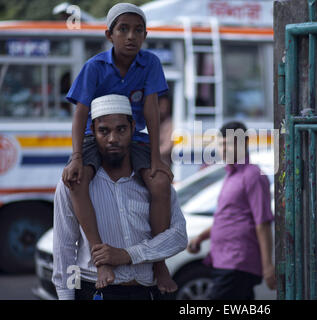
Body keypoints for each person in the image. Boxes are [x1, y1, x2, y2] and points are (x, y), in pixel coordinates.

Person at [62, 3, 175, 292]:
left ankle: (159, 263)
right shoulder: (95, 66)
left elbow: (151, 109)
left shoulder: (150, 63)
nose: (130, 36)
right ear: (109, 34)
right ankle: (101, 258)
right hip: (94, 136)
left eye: (138, 30)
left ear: (145, 35)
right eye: (122, 29)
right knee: (77, 182)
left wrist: (157, 158)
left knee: (160, 183)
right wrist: (77, 157)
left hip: (133, 137)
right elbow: (80, 114)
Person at [52, 94, 187, 300]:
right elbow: (65, 248)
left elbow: (178, 237)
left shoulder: (153, 181)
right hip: (94, 290)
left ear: (133, 129)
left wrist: (128, 255)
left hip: (147, 291)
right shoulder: (74, 184)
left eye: (121, 129)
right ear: (93, 133)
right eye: (104, 131)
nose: (113, 138)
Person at [187, 121, 276, 300]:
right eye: (221, 144)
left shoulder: (253, 175)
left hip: (237, 261)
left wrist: (268, 266)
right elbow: (228, 218)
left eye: (229, 143)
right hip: (224, 260)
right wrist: (201, 237)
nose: (223, 149)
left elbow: (262, 222)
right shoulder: (231, 175)